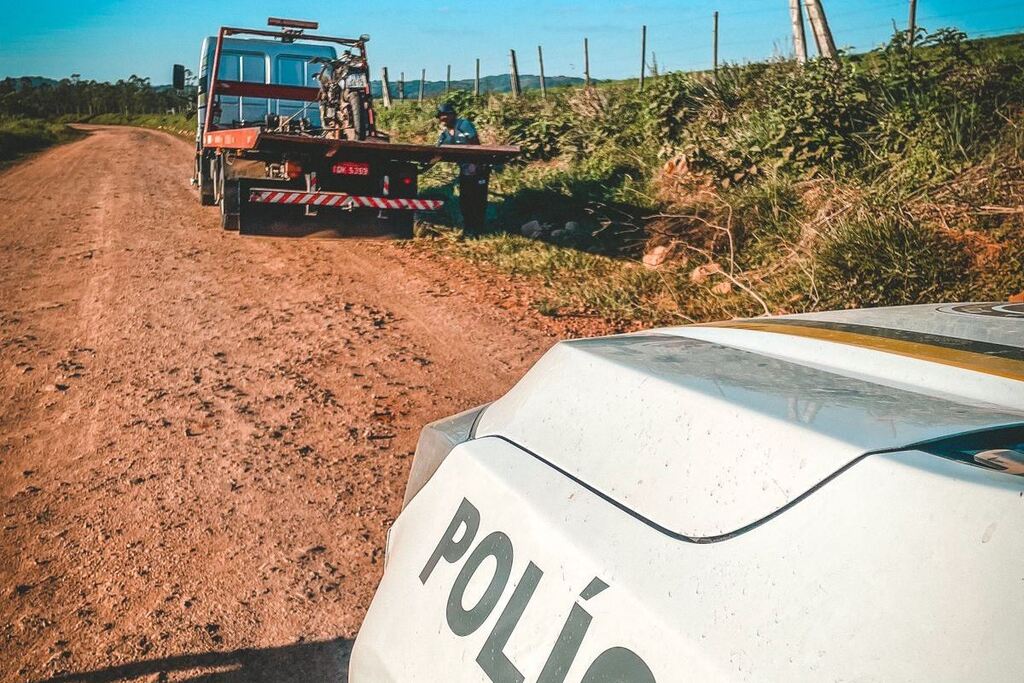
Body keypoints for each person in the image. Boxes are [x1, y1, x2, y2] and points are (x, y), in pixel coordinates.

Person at [436, 103, 489, 236]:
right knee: (465, 200)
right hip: (465, 170)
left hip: (478, 168)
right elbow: (439, 147)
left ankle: (478, 230)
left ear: (453, 115)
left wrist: (475, 164)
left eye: (446, 115)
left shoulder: (464, 125)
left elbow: (476, 144)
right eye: (441, 117)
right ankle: (468, 228)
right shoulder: (446, 134)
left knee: (477, 200)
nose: (444, 118)